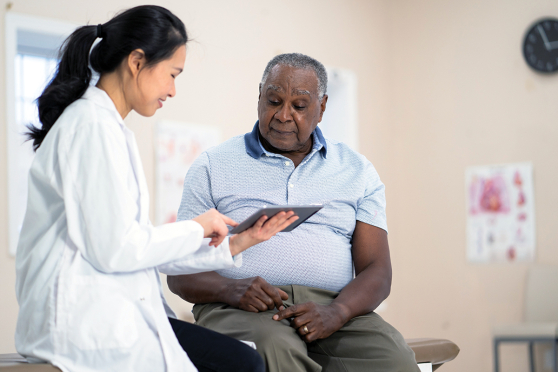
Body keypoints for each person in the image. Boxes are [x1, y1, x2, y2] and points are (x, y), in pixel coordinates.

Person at [14, 6, 298, 372]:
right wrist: (197, 226)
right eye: (172, 74)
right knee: (241, 363)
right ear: (136, 61)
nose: (173, 90)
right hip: (81, 323)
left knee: (241, 360)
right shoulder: (91, 129)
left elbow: (134, 243)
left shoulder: (108, 128)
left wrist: (235, 243)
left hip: (109, 312)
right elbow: (118, 249)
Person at [168, 53, 420, 372]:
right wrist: (230, 289)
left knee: (394, 359)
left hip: (331, 307)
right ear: (259, 97)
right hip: (236, 306)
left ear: (322, 107)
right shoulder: (211, 166)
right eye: (273, 100)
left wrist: (338, 312)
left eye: (299, 106)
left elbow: (377, 271)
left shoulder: (358, 172)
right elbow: (180, 271)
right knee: (275, 346)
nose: (284, 115)